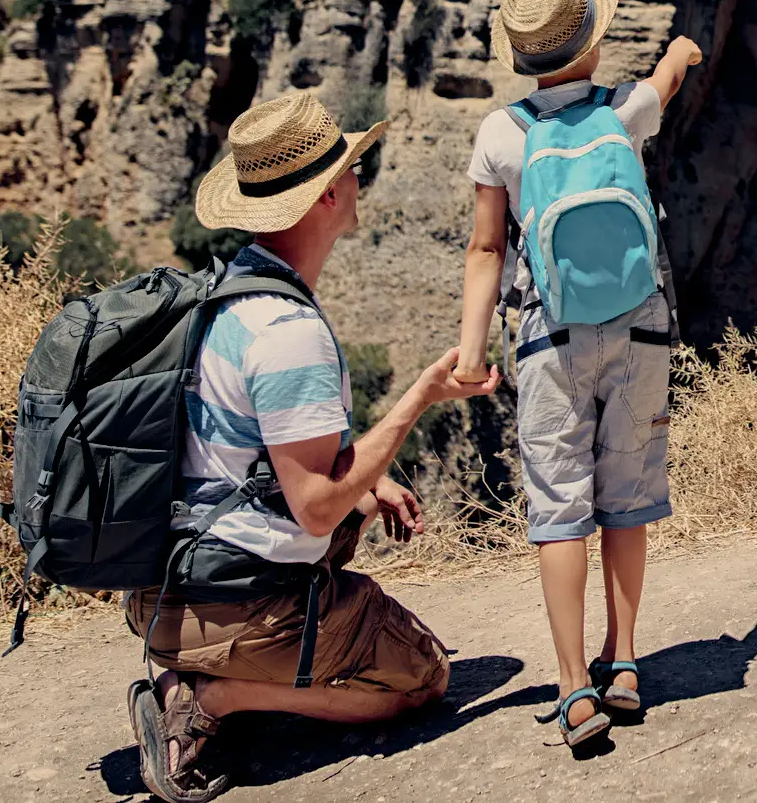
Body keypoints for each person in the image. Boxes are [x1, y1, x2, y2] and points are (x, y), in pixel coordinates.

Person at [126, 90, 500, 803]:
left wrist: (366, 480)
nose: (360, 180)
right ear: (328, 195)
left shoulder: (224, 294)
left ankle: (180, 666)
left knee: (358, 497)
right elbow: (317, 511)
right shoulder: (288, 332)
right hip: (233, 603)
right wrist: (418, 399)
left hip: (166, 590)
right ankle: (211, 700)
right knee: (423, 680)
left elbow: (242, 452)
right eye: (352, 169)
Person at [454, 0, 702, 748]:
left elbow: (485, 249)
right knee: (627, 498)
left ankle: (571, 690)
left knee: (560, 509)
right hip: (641, 327)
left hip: (549, 338)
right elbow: (667, 76)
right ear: (591, 47)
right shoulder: (626, 108)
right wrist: (684, 51)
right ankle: (623, 662)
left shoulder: (502, 132)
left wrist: (468, 355)